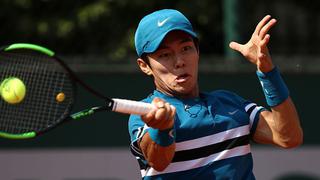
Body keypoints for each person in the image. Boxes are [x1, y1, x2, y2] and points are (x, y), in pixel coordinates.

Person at [128, 9, 303, 179]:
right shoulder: (145, 114)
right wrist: (162, 128)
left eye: (186, 48)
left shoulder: (231, 104)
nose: (180, 61)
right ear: (144, 66)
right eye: (165, 54)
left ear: (197, 52)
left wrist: (268, 72)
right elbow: (158, 161)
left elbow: (288, 137)